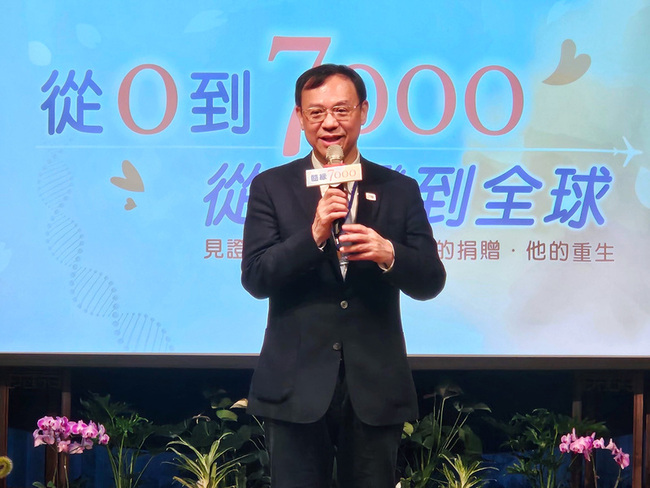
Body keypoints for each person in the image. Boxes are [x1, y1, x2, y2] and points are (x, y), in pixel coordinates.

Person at [241, 64, 446, 488]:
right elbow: (256, 278)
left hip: (374, 388)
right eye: (316, 113)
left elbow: (431, 280)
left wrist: (389, 254)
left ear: (363, 111)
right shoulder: (272, 187)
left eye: (341, 110)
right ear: (300, 118)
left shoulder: (398, 189)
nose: (329, 124)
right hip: (295, 387)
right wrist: (313, 235)